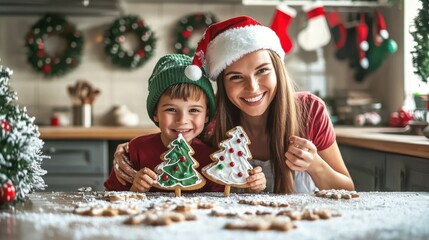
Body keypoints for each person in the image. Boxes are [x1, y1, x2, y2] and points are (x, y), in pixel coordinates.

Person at [113, 16, 354, 194]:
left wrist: (316, 166)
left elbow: (348, 189)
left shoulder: (309, 110)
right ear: (223, 84)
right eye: (236, 77)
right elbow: (174, 137)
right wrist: (130, 150)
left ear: (278, 70)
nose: (253, 88)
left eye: (262, 71)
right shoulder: (211, 122)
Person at [104, 53, 265, 193]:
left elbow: (221, 203)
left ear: (207, 115)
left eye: (194, 110)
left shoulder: (211, 160)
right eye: (171, 110)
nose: (182, 120)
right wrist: (135, 189)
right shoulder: (135, 151)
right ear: (155, 114)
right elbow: (109, 197)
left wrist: (252, 185)